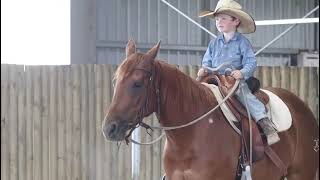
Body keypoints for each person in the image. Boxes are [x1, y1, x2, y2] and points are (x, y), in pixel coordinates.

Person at [197, 0, 280, 145]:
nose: (218, 22)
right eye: (217, 19)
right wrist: (204, 68)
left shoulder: (242, 42)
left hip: (233, 81)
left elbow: (251, 62)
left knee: (243, 94)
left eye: (223, 18)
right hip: (214, 79)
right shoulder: (214, 43)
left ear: (235, 21)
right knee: (196, 91)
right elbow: (207, 61)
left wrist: (241, 73)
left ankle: (264, 121)